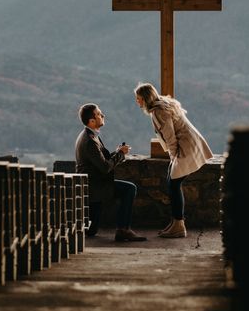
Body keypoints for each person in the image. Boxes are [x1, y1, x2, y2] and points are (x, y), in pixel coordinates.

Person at [134, 82, 213, 238]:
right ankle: (176, 223)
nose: (137, 101)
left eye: (138, 98)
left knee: (174, 184)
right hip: (189, 144)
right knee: (172, 184)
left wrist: (174, 157)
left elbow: (170, 137)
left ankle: (178, 225)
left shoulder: (158, 112)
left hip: (185, 148)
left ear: (145, 98)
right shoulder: (163, 105)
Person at [75, 103, 147, 242]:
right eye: (99, 114)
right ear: (92, 121)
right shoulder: (90, 140)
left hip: (94, 184)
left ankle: (121, 229)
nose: (103, 115)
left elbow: (101, 160)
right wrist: (120, 154)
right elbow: (105, 167)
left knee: (91, 230)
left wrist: (117, 152)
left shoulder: (89, 135)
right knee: (129, 189)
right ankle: (123, 229)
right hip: (96, 187)